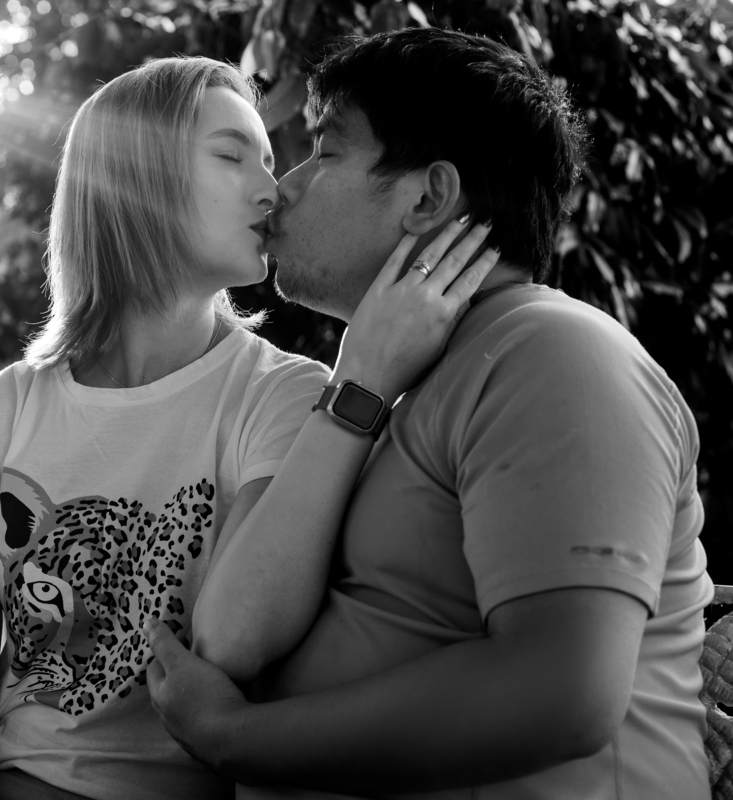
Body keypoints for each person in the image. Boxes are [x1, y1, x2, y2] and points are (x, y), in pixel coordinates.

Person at [0, 54, 497, 800]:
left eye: (267, 161)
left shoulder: (285, 397)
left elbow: (245, 634)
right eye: (231, 156)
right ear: (133, 178)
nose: (271, 190)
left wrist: (367, 374)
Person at [145, 27, 712, 800]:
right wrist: (359, 385)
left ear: (428, 197)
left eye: (325, 151)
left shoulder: (554, 354)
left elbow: (560, 691)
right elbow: (228, 637)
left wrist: (232, 738)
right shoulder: (394, 383)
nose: (284, 188)